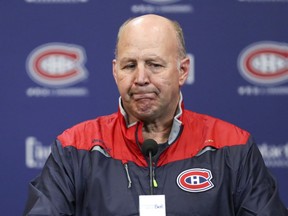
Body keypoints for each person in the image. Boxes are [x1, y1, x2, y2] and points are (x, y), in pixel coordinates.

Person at [23, 14, 288, 215]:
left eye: (154, 64)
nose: (140, 78)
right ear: (115, 71)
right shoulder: (74, 147)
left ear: (182, 70)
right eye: (130, 65)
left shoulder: (233, 146)